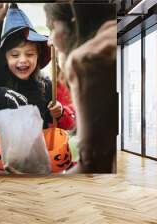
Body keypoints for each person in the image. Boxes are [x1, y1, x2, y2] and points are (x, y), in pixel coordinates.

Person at [0, 3, 71, 168]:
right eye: (14, 55)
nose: (22, 60)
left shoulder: (47, 86)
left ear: (38, 55)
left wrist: (60, 112)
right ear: (4, 58)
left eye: (30, 54)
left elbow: (63, 123)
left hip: (32, 164)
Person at [44, 2, 118, 173]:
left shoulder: (87, 62)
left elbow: (94, 163)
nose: (50, 41)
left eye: (52, 28)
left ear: (73, 20)